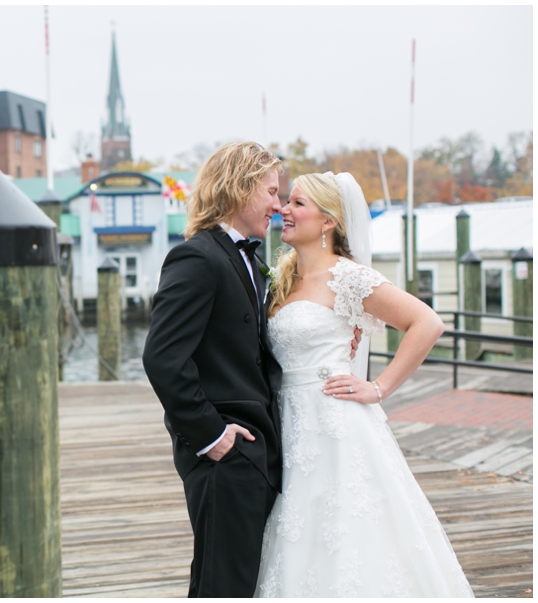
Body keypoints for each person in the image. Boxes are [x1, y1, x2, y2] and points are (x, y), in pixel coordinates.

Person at [254, 172, 473, 597]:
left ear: (329, 221)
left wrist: (379, 387)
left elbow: (426, 322)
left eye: (298, 203)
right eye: (286, 201)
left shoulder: (349, 277)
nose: (284, 209)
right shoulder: (282, 280)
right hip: (288, 423)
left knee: (348, 532)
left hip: (335, 422)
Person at [143, 141, 288, 597]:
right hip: (226, 457)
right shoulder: (197, 257)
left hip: (257, 454)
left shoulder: (250, 259)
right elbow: (163, 357)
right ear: (240, 188)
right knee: (221, 587)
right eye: (270, 192)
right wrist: (213, 435)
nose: (278, 205)